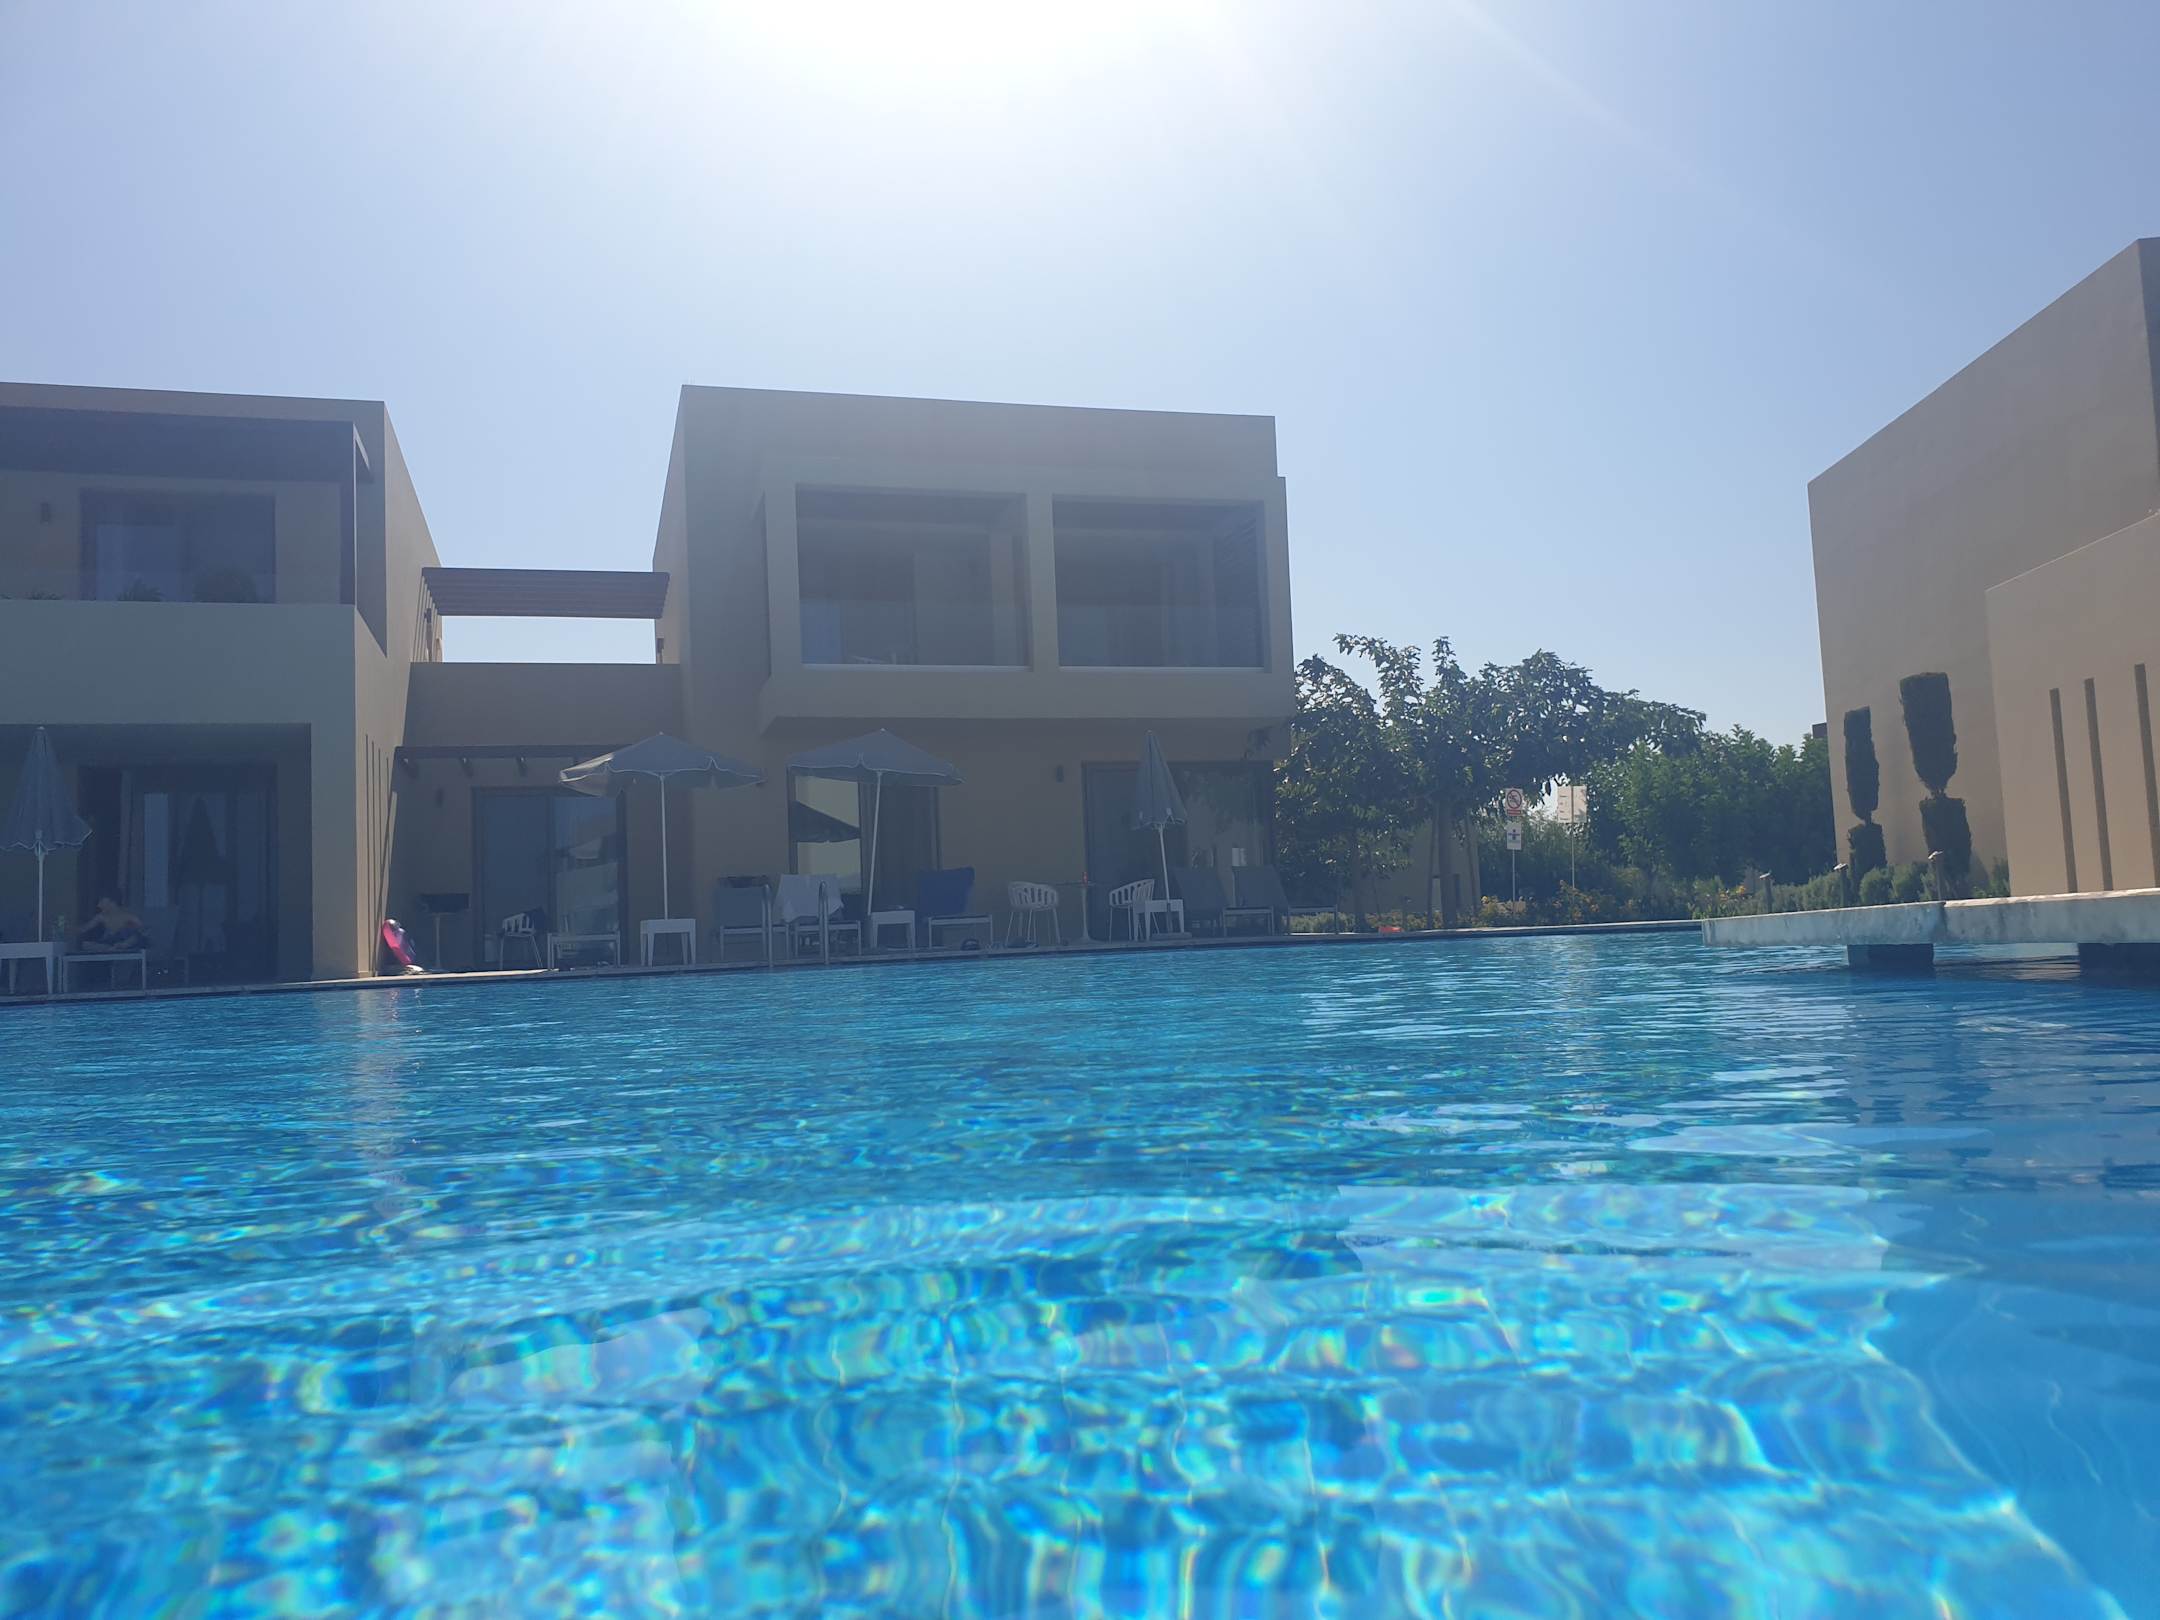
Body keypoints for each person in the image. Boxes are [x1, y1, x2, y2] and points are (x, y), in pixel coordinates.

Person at [76, 896, 149, 953]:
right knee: (86, 945)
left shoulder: (129, 916)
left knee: (135, 937)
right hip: (110, 944)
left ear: (112, 902)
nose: (98, 905)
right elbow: (84, 928)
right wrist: (72, 929)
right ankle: (113, 949)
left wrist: (126, 943)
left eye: (101, 902)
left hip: (127, 944)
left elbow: (143, 932)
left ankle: (119, 947)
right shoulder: (101, 916)